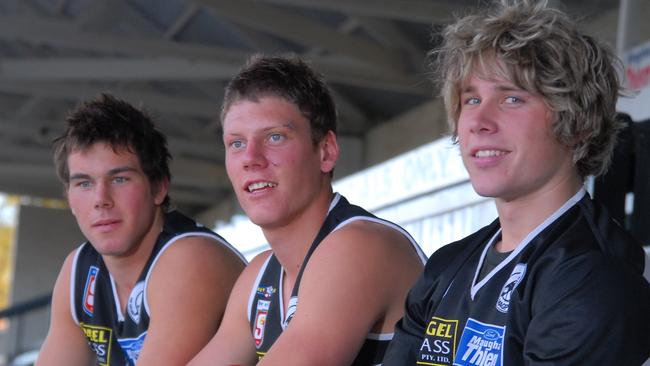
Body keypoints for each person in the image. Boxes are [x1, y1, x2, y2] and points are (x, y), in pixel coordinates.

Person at [383, 1, 650, 365]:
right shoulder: (448, 266)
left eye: (512, 98)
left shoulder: (591, 277)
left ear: (579, 124)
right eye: (472, 99)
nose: (479, 120)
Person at [189, 55, 427, 366]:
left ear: (326, 152)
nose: (251, 158)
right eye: (236, 143)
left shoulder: (359, 246)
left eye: (274, 137)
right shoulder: (258, 276)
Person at [37, 94, 247, 366]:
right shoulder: (78, 272)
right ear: (69, 198)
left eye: (120, 179)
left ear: (159, 187)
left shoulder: (191, 258)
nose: (101, 199)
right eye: (84, 183)